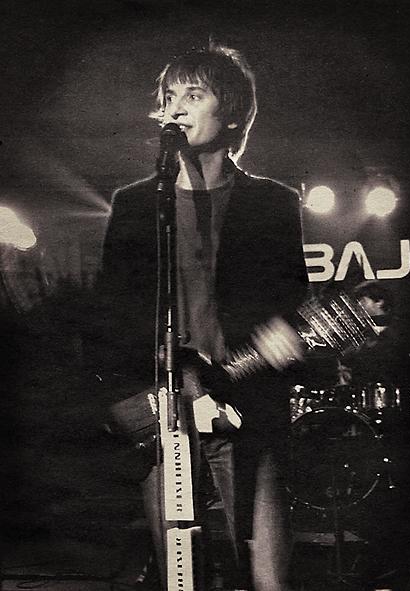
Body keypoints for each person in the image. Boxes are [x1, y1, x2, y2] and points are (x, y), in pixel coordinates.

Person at [96, 42, 308, 591]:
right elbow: (111, 313)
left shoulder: (273, 203)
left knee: (270, 576)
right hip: (167, 407)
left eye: (194, 94)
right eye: (170, 96)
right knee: (181, 576)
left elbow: (292, 303)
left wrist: (285, 333)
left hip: (248, 402)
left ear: (233, 113)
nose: (177, 107)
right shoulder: (136, 205)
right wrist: (168, 376)